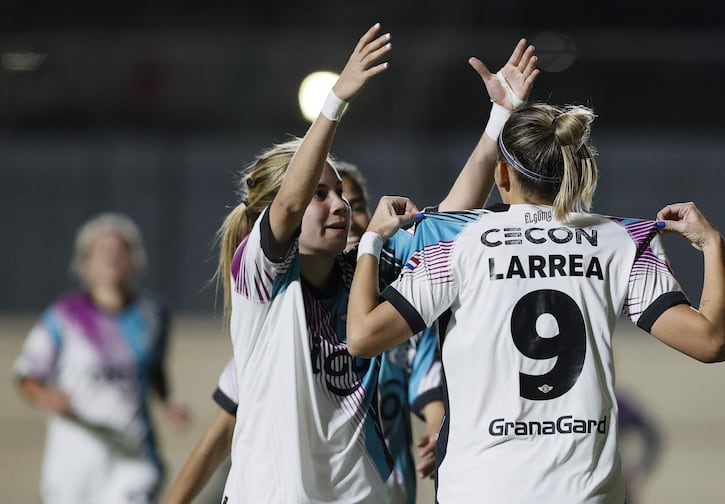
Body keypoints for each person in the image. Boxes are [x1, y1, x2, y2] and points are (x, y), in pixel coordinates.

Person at [214, 24, 539, 503]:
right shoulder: (259, 277)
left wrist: (499, 118)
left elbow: (448, 218)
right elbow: (285, 208)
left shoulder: (363, 268)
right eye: (319, 195)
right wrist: (336, 100)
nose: (339, 206)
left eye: (341, 195)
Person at [346, 103, 725, 503]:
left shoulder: (452, 241)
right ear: (572, 168)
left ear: (501, 172)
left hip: (481, 488)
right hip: (586, 492)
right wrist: (711, 244)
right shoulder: (622, 240)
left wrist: (371, 240)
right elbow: (710, 342)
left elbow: (361, 337)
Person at [164, 166, 443, 504]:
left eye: (352, 202)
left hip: (379, 492)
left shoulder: (398, 305)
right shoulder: (272, 324)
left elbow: (433, 401)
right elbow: (220, 434)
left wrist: (439, 430)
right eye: (320, 196)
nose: (344, 211)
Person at [13, 212, 191, 504]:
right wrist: (45, 396)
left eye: (121, 250)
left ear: (134, 261)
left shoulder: (153, 314)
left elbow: (155, 367)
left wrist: (168, 400)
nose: (112, 258)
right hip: (76, 455)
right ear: (84, 265)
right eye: (102, 251)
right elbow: (26, 374)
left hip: (133, 455)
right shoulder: (63, 316)